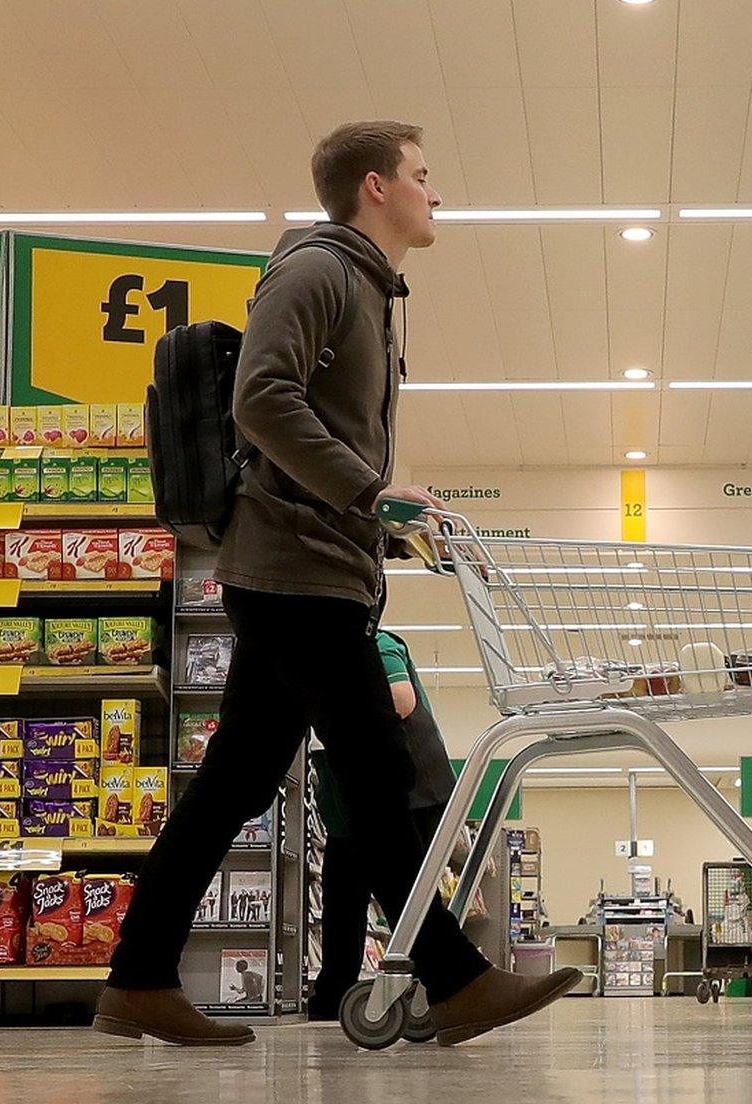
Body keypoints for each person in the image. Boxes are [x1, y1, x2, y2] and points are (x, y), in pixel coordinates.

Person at [94, 121, 579, 1048]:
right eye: (424, 177)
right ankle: (453, 978)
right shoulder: (317, 271)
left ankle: (139, 978)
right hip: (294, 573)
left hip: (313, 565)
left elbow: (312, 425)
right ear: (375, 187)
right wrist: (367, 488)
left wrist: (381, 513)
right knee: (378, 768)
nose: (438, 195)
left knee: (237, 779)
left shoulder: (367, 286)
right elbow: (262, 399)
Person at [307, 628, 460, 1021]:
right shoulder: (317, 659)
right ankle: (334, 995)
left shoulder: (379, 644)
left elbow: (401, 699)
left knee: (401, 895)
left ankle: (438, 983)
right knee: (345, 894)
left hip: (410, 795)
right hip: (354, 796)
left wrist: (329, 710)